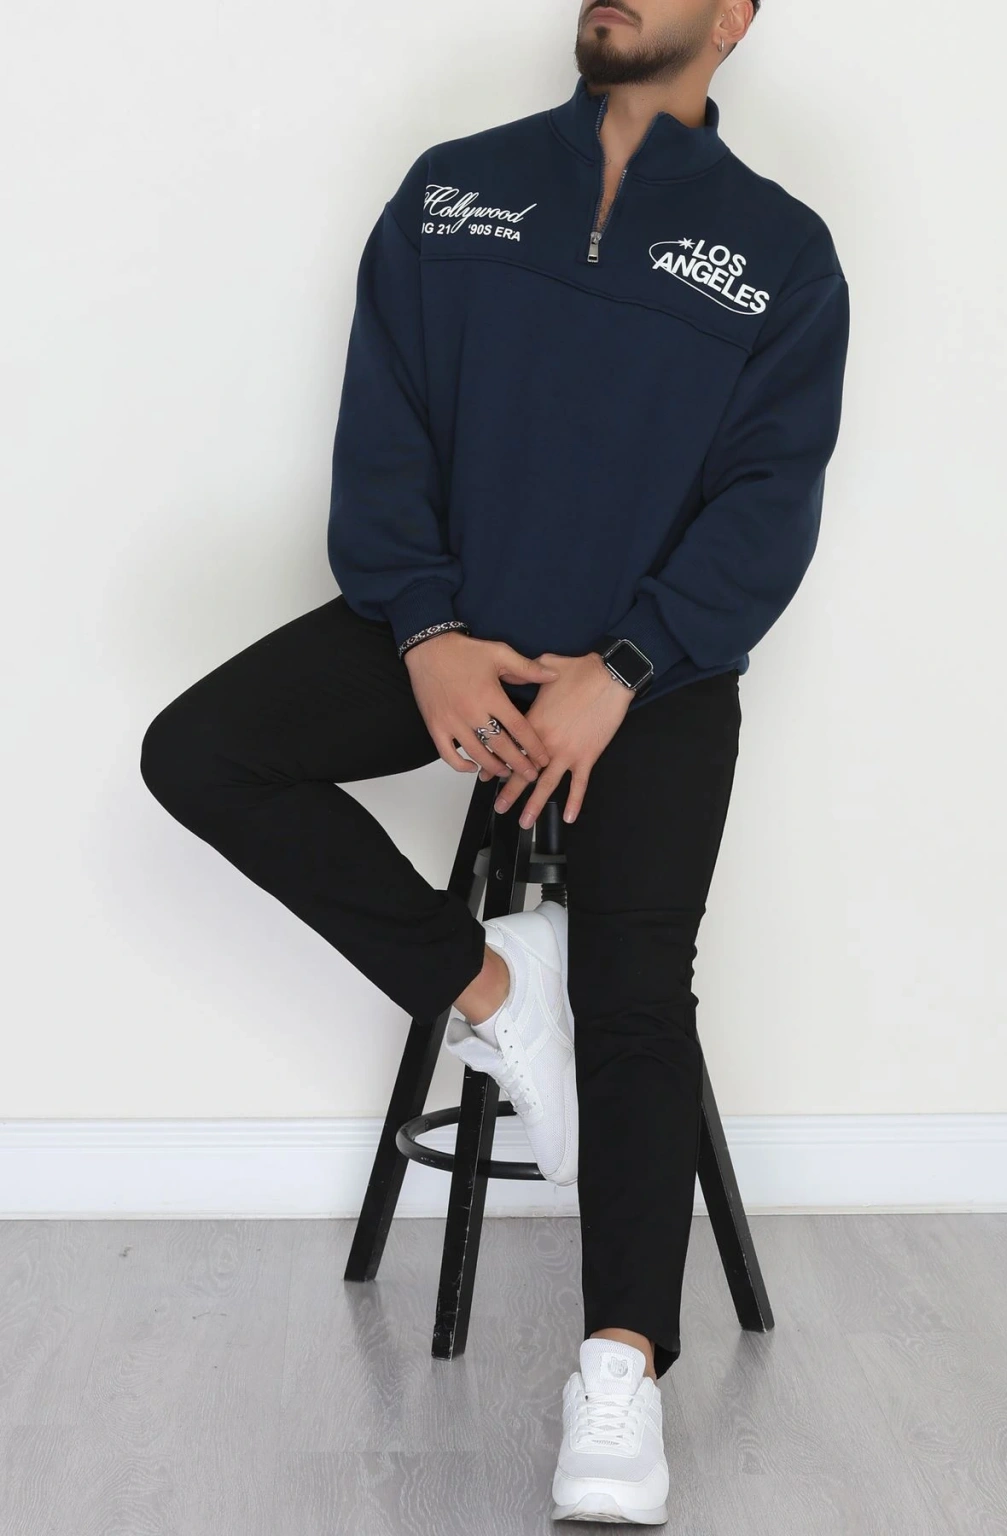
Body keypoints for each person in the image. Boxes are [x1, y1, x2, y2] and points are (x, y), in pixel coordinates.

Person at [140, 0, 849, 1523]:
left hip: (648, 683)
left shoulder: (783, 253)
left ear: (734, 18)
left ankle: (617, 1377)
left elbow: (768, 502)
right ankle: (490, 986)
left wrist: (630, 670)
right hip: (457, 633)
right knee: (201, 753)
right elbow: (383, 425)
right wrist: (423, 629)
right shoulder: (456, 187)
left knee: (638, 999)